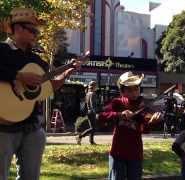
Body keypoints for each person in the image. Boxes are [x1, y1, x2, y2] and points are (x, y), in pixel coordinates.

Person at [0, 8, 80, 180]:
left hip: (32, 129)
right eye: (33, 30)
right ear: (18, 28)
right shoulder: (1, 50)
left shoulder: (38, 61)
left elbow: (48, 87)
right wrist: (18, 76)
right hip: (3, 128)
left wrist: (67, 73)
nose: (36, 34)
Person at [99, 71, 161, 180]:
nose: (134, 93)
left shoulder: (143, 106)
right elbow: (101, 116)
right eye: (129, 90)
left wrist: (151, 123)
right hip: (118, 152)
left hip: (135, 153)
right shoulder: (117, 103)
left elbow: (144, 129)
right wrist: (119, 114)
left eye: (136, 89)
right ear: (122, 91)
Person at [76, 81, 98, 145]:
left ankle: (91, 141)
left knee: (92, 127)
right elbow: (92, 104)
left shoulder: (88, 93)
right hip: (92, 112)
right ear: (94, 86)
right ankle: (80, 136)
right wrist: (95, 112)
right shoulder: (92, 94)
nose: (96, 87)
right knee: (93, 128)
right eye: (96, 86)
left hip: (88, 112)